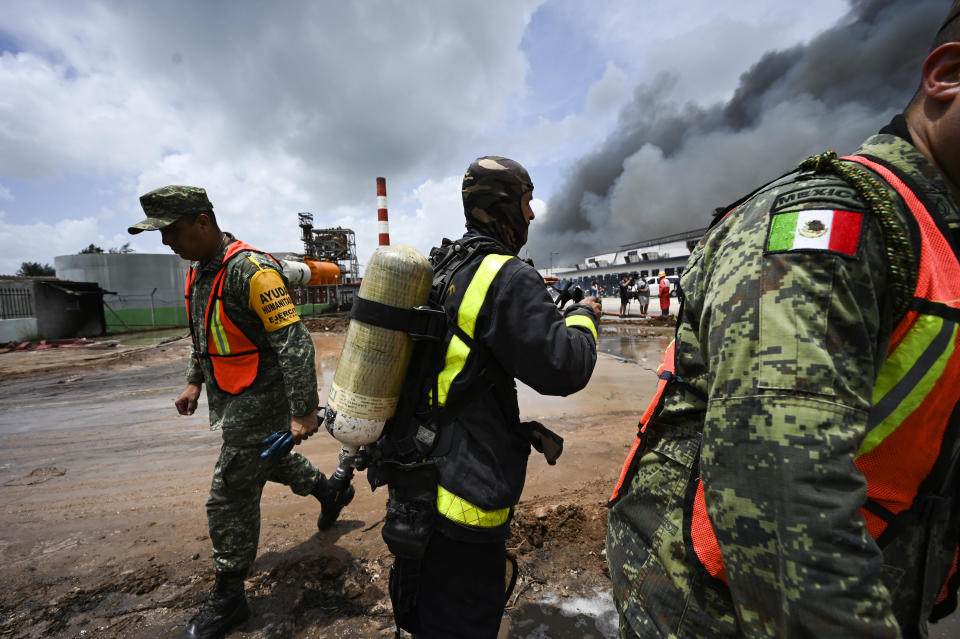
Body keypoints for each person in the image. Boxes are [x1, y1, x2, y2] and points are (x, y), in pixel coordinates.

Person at [607, 3, 960, 637]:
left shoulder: (939, 239)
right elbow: (780, 497)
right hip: (718, 612)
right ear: (947, 74)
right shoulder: (832, 222)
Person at [368, 156, 600, 638]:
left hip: (414, 479)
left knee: (426, 608)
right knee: (464, 618)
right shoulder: (506, 276)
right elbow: (564, 367)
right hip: (464, 493)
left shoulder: (443, 265)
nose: (532, 214)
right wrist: (583, 316)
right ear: (504, 206)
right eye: (527, 202)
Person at [128, 186, 351, 639]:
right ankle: (330, 494)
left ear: (203, 222)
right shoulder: (199, 271)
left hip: (262, 393)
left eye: (171, 230)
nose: (166, 242)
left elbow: (295, 343)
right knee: (268, 460)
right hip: (231, 389)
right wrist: (195, 380)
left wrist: (304, 412)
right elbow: (202, 331)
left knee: (229, 490)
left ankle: (229, 596)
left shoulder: (252, 271)